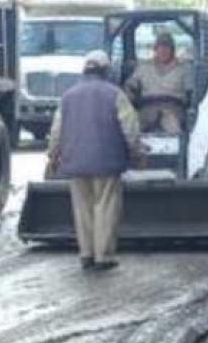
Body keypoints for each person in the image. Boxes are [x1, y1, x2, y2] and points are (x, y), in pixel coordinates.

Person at [47, 50, 142, 271]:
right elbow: (130, 127)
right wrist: (137, 152)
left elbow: (56, 130)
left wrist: (53, 155)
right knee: (106, 207)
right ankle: (104, 256)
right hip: (107, 162)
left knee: (83, 209)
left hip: (76, 162)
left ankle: (86, 253)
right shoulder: (114, 94)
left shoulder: (68, 96)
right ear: (106, 70)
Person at [125, 32, 191, 133]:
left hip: (173, 107)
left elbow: (190, 93)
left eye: (167, 47)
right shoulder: (144, 67)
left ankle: (178, 145)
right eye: (160, 47)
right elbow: (131, 85)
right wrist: (129, 94)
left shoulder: (183, 68)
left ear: (173, 50)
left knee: (170, 121)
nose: (163, 51)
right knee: (130, 125)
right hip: (147, 107)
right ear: (155, 49)